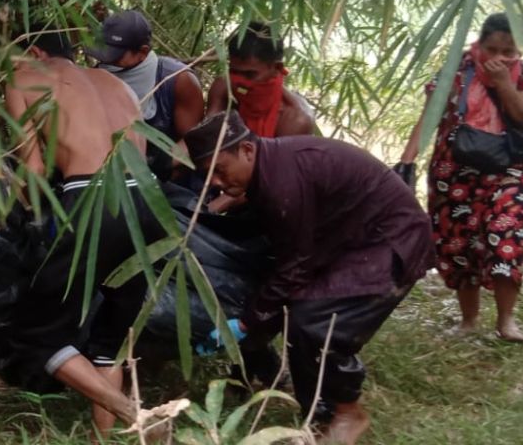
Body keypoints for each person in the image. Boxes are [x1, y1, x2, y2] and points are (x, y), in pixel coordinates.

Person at [184, 112, 433, 444]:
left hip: (391, 240)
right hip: (347, 240)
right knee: (293, 309)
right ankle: (318, 413)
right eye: (208, 174)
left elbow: (294, 268)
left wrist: (244, 324)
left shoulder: (281, 180)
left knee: (316, 323)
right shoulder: (266, 167)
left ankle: (348, 413)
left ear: (246, 150)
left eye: (220, 169)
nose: (215, 181)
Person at [3, 24, 170, 436]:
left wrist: (22, 211)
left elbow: (35, 170)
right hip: (148, 205)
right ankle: (104, 439)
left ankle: (134, 414)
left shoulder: (23, 78)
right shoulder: (112, 82)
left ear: (36, 53)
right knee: (110, 340)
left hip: (92, 198)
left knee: (33, 333)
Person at [397, 13, 523, 343]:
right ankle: (469, 321)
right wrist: (407, 161)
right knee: (458, 245)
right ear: (478, 44)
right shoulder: (455, 70)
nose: (499, 58)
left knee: (509, 236)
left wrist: (505, 83)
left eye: (509, 52)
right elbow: (430, 116)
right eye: (492, 49)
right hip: (453, 172)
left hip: (509, 170)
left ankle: (506, 321)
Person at [86, 9, 205, 180]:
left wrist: (159, 164)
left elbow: (195, 140)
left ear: (142, 52)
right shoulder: (96, 78)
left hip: (170, 182)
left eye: (115, 55)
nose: (106, 61)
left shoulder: (177, 80)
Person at [206, 21, 315, 137]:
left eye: (249, 74)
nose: (239, 81)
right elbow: (206, 136)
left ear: (276, 68)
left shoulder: (296, 119)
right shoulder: (224, 87)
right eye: (234, 72)